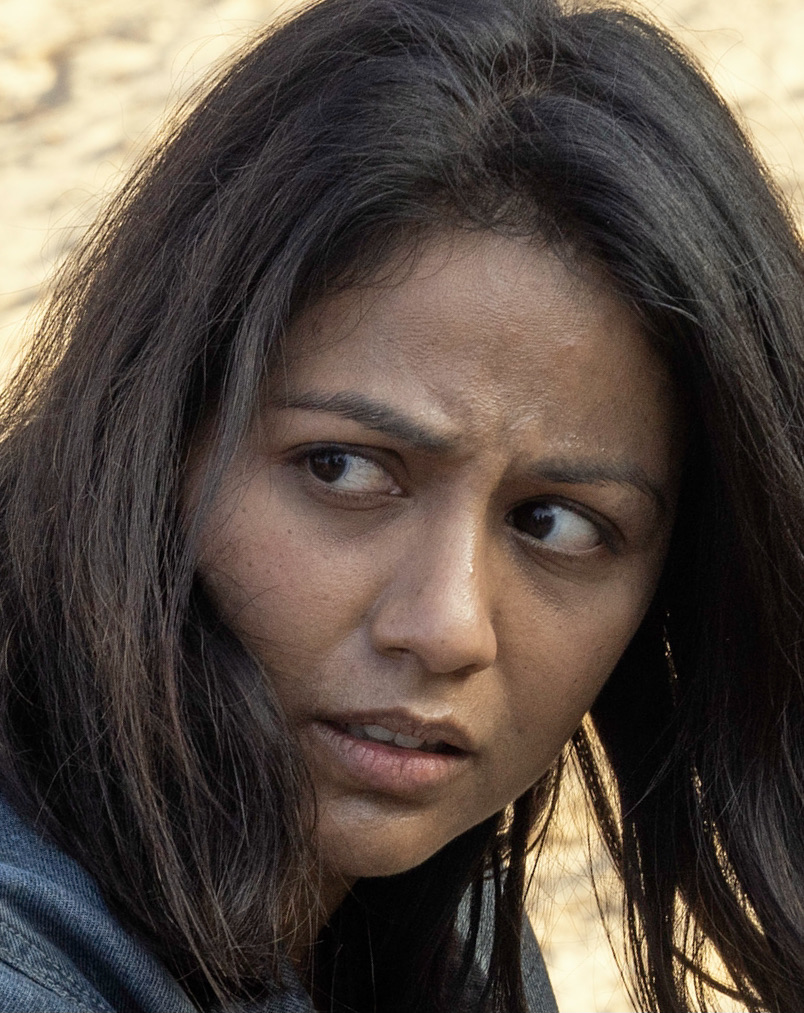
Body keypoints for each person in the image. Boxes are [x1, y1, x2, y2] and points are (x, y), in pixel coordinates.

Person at [0, 0, 802, 1010]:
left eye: (555, 522)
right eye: (343, 468)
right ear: (153, 434)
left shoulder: (429, 915)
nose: (446, 627)